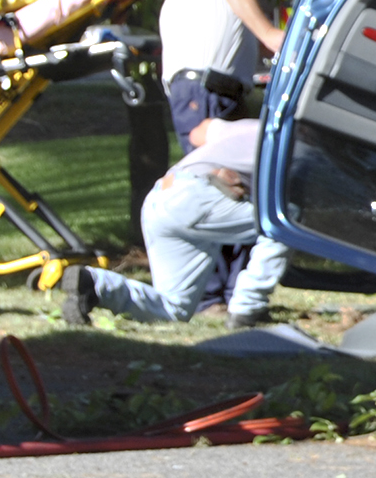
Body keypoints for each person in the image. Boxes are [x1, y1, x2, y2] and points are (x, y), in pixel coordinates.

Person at [60, 119, 289, 327]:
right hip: (196, 198)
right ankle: (247, 310)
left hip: (162, 196)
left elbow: (198, 132)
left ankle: (95, 284)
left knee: (174, 308)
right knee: (286, 225)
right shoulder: (298, 145)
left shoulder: (251, 127)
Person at [157, 0, 286, 149]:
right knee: (219, 175)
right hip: (207, 92)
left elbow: (247, 44)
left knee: (234, 174)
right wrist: (270, 33)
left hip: (205, 92)